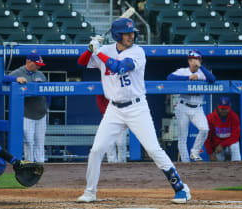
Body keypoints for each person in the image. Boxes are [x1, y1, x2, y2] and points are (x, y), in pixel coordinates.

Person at [76, 18, 191, 204]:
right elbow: (81, 63)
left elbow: (119, 67)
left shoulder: (138, 52)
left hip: (137, 107)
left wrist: (98, 52)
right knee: (97, 150)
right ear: (116, 35)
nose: (131, 36)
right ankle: (90, 192)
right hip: (114, 109)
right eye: (126, 33)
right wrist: (90, 49)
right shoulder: (105, 51)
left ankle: (181, 188)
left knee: (153, 149)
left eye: (132, 33)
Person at [167, 50, 216, 162]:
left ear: (200, 61)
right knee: (182, 137)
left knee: (204, 129)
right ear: (189, 61)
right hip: (183, 106)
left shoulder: (203, 73)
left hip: (197, 107)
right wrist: (188, 78)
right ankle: (185, 161)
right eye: (192, 59)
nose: (194, 62)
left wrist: (200, 67)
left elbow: (212, 79)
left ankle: (194, 152)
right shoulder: (183, 71)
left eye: (197, 59)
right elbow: (169, 78)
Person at [3, 52, 48, 163]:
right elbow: (3, 78)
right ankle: (30, 164)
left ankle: (40, 164)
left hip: (41, 114)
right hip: (27, 114)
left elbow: (48, 93)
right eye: (36, 64)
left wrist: (46, 107)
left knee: (40, 141)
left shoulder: (40, 75)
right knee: (28, 141)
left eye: (39, 65)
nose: (38, 67)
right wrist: (15, 80)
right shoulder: (18, 72)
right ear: (28, 62)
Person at [204, 97, 241, 161]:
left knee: (235, 146)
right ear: (218, 107)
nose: (223, 111)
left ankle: (237, 166)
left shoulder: (234, 117)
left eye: (226, 109)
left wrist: (222, 145)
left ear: (229, 108)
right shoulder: (210, 118)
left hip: (229, 144)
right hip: (217, 147)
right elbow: (207, 138)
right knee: (219, 164)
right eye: (222, 108)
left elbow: (236, 137)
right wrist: (210, 154)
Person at [96, 95, 127, 163]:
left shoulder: (122, 85)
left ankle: (122, 163)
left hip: (121, 115)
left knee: (121, 142)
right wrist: (104, 112)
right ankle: (111, 163)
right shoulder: (104, 84)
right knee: (110, 143)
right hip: (108, 116)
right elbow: (99, 99)